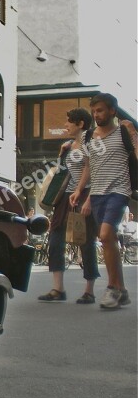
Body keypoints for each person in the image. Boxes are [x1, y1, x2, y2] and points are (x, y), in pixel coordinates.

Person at [70, 93, 138, 310]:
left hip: (119, 191)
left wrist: (133, 133)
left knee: (106, 235)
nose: (96, 115)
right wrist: (81, 190)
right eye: (94, 111)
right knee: (109, 240)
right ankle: (122, 291)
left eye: (100, 110)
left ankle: (112, 287)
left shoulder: (123, 132)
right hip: (97, 194)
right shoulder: (90, 137)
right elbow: (89, 166)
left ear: (112, 111)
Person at [38, 109, 100, 304]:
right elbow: (62, 174)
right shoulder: (67, 147)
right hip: (65, 197)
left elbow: (95, 174)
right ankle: (58, 289)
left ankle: (89, 290)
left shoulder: (92, 145)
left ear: (80, 124)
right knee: (55, 238)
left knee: (86, 241)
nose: (65, 125)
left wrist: (88, 199)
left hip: (85, 195)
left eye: (69, 122)